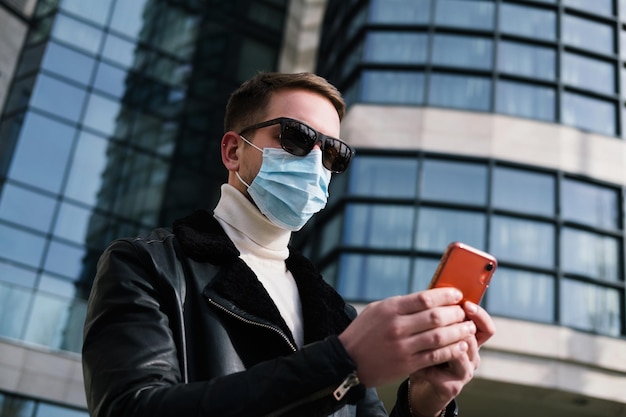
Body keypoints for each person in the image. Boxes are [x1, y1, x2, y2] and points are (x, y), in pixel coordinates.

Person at [82, 72, 495, 417]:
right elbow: (131, 409)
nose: (316, 163)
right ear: (232, 151)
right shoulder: (148, 265)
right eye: (296, 138)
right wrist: (340, 361)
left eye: (333, 154)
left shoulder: (335, 314)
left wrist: (423, 405)